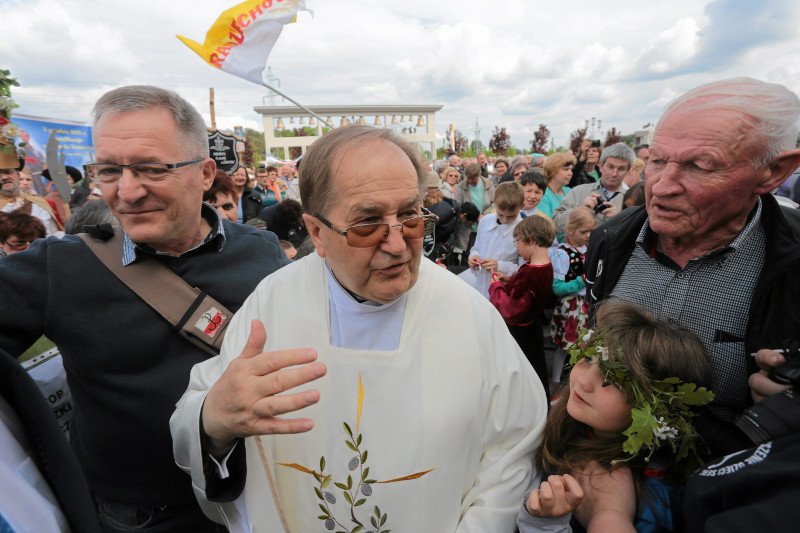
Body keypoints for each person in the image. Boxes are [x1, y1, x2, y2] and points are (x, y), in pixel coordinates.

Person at [170, 125, 547, 532]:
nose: (398, 244)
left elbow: (514, 448)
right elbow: (203, 415)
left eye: (410, 216)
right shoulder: (273, 306)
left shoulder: (469, 314)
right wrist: (214, 422)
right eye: (368, 224)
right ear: (317, 232)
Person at [0, 85, 289, 532]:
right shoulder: (59, 267)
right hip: (138, 521)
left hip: (256, 501)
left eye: (152, 169)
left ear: (207, 173)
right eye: (110, 171)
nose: (127, 192)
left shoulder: (261, 253)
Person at [585, 78, 800, 459]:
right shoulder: (610, 239)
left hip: (727, 501)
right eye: (657, 161)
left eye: (699, 165)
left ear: (773, 172)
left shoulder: (791, 261)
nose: (663, 187)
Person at [518, 300, 714, 533]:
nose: (583, 380)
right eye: (589, 358)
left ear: (654, 411)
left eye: (613, 380)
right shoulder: (579, 423)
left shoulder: (615, 486)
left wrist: (546, 524)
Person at [489, 215, 555, 388]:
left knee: (524, 373)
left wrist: (495, 287)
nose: (517, 247)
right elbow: (525, 293)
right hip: (533, 327)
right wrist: (509, 281)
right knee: (535, 368)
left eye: (518, 241)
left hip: (521, 334)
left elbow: (512, 311)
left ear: (531, 240)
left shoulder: (531, 274)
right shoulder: (544, 266)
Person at [548, 207, 596, 396]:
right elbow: (557, 288)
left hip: (587, 305)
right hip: (571, 307)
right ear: (570, 230)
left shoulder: (590, 250)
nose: (588, 236)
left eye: (591, 231)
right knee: (564, 345)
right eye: (583, 232)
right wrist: (580, 280)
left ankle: (578, 382)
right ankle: (556, 381)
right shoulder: (562, 254)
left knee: (585, 346)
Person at [552, 142, 634, 239]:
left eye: (621, 169)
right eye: (610, 167)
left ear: (628, 170)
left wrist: (620, 220)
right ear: (601, 166)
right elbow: (555, 225)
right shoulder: (578, 192)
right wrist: (580, 210)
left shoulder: (631, 200)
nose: (614, 173)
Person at [460, 181, 525, 298]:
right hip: (480, 285)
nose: (505, 220)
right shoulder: (485, 221)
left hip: (502, 292)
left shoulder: (524, 229)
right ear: (495, 204)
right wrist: (473, 257)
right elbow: (476, 248)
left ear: (521, 206)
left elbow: (523, 269)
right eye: (500, 214)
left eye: (511, 216)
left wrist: (499, 266)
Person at [538, 152, 576, 219]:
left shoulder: (570, 191)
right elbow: (546, 225)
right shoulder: (542, 194)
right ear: (553, 170)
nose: (571, 173)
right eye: (566, 169)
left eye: (571, 169)